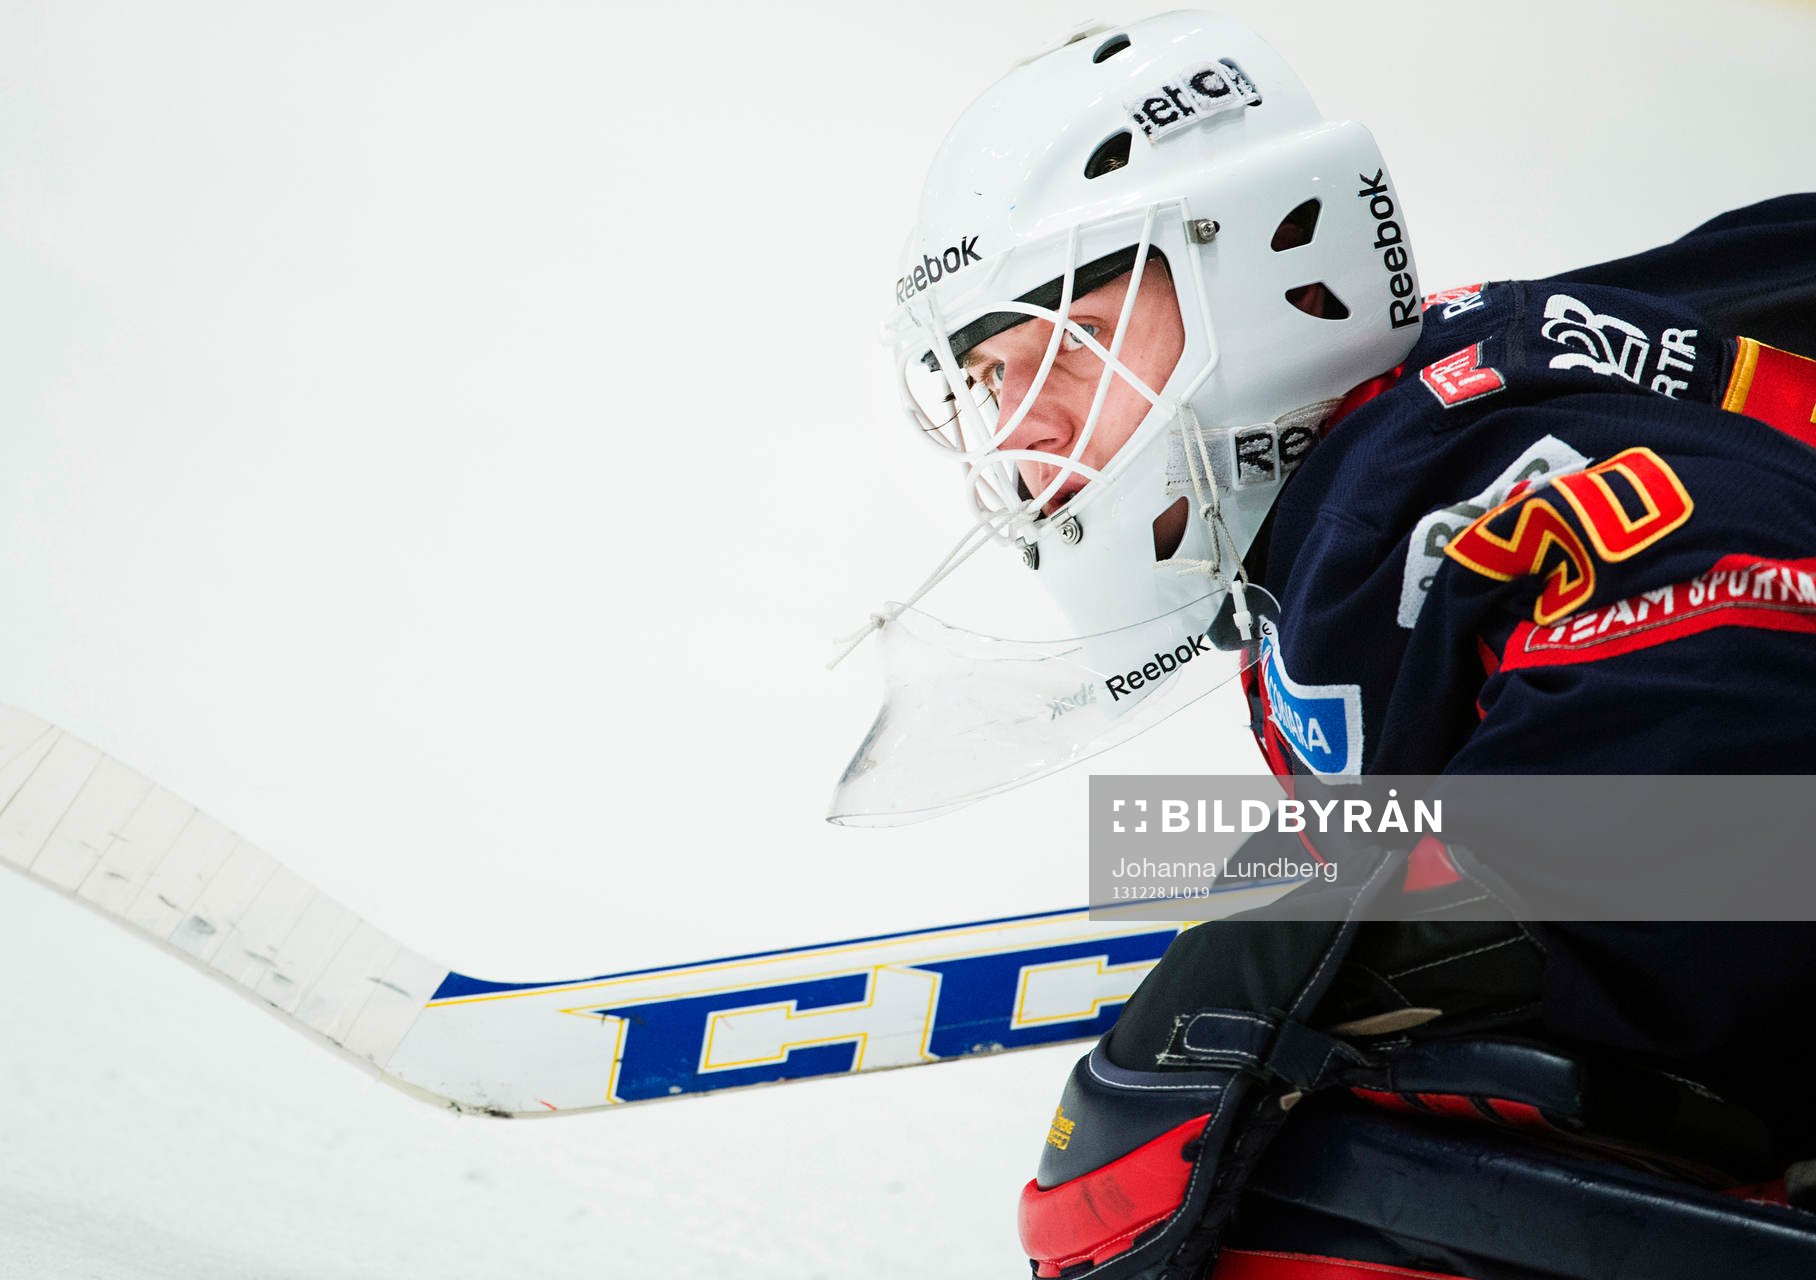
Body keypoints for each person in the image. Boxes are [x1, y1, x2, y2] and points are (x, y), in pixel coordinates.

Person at [836, 10, 1816, 1278]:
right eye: (985, 383)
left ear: (1255, 263)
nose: (1024, 430)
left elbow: (1742, 759)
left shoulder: (1441, 459)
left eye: (1058, 347)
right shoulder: (1373, 480)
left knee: (1303, 1188)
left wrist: (1374, 923)